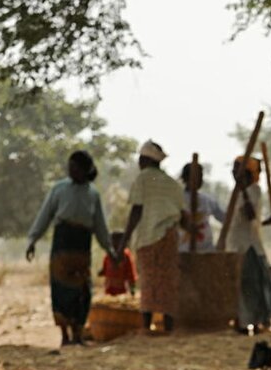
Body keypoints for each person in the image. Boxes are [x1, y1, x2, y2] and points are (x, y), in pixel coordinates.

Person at [25, 150, 115, 346]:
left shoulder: (93, 194)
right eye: (70, 167)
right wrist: (32, 240)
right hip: (62, 243)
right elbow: (45, 215)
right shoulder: (59, 189)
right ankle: (64, 335)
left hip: (82, 245)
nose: (71, 171)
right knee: (60, 289)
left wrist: (110, 249)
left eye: (75, 168)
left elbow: (100, 225)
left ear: (85, 170)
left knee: (82, 290)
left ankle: (78, 334)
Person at [121, 140, 188, 334]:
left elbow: (136, 210)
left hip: (149, 237)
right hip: (170, 237)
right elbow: (182, 214)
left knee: (149, 280)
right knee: (168, 281)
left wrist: (124, 240)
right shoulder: (173, 184)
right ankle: (168, 326)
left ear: (145, 160)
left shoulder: (142, 179)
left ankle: (147, 326)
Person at [226, 155, 271, 333]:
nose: (233, 173)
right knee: (241, 286)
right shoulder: (237, 192)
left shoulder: (253, 190)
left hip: (249, 245)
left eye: (237, 170)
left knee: (251, 286)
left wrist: (242, 189)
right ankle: (242, 321)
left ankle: (253, 322)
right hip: (237, 244)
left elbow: (250, 215)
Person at [177, 162, 224, 252]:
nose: (199, 180)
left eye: (201, 176)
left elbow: (223, 218)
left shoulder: (207, 200)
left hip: (207, 250)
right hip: (183, 251)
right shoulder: (177, 199)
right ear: (185, 178)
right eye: (196, 176)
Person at [100, 232, 137, 296]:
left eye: (117, 243)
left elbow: (131, 275)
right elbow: (105, 269)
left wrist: (132, 290)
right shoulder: (108, 256)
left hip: (122, 292)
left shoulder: (126, 256)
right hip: (109, 291)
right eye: (113, 242)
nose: (115, 245)